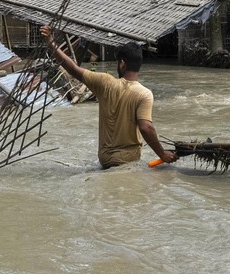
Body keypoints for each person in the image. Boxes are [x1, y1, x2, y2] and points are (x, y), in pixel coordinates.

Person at [40, 25, 178, 168]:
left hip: (105, 159)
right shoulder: (144, 94)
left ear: (122, 63)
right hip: (128, 160)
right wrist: (162, 154)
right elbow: (146, 127)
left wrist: (51, 41)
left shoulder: (105, 82)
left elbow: (72, 69)